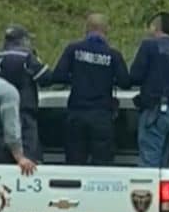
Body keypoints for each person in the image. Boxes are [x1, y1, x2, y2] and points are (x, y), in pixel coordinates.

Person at [44, 13, 131, 165]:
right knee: (101, 165)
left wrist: (76, 78)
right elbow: (125, 82)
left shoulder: (73, 49)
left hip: (76, 115)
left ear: (86, 29)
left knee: (75, 164)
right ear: (106, 30)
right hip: (101, 117)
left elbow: (58, 76)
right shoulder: (113, 55)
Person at [0, 25, 48, 161]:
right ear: (23, 41)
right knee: (28, 157)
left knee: (0, 153)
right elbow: (46, 78)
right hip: (22, 115)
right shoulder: (26, 58)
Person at [129, 10, 169, 167]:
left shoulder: (149, 46)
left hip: (155, 113)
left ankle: (150, 192)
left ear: (156, 28)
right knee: (164, 165)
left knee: (149, 167)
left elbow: (135, 76)